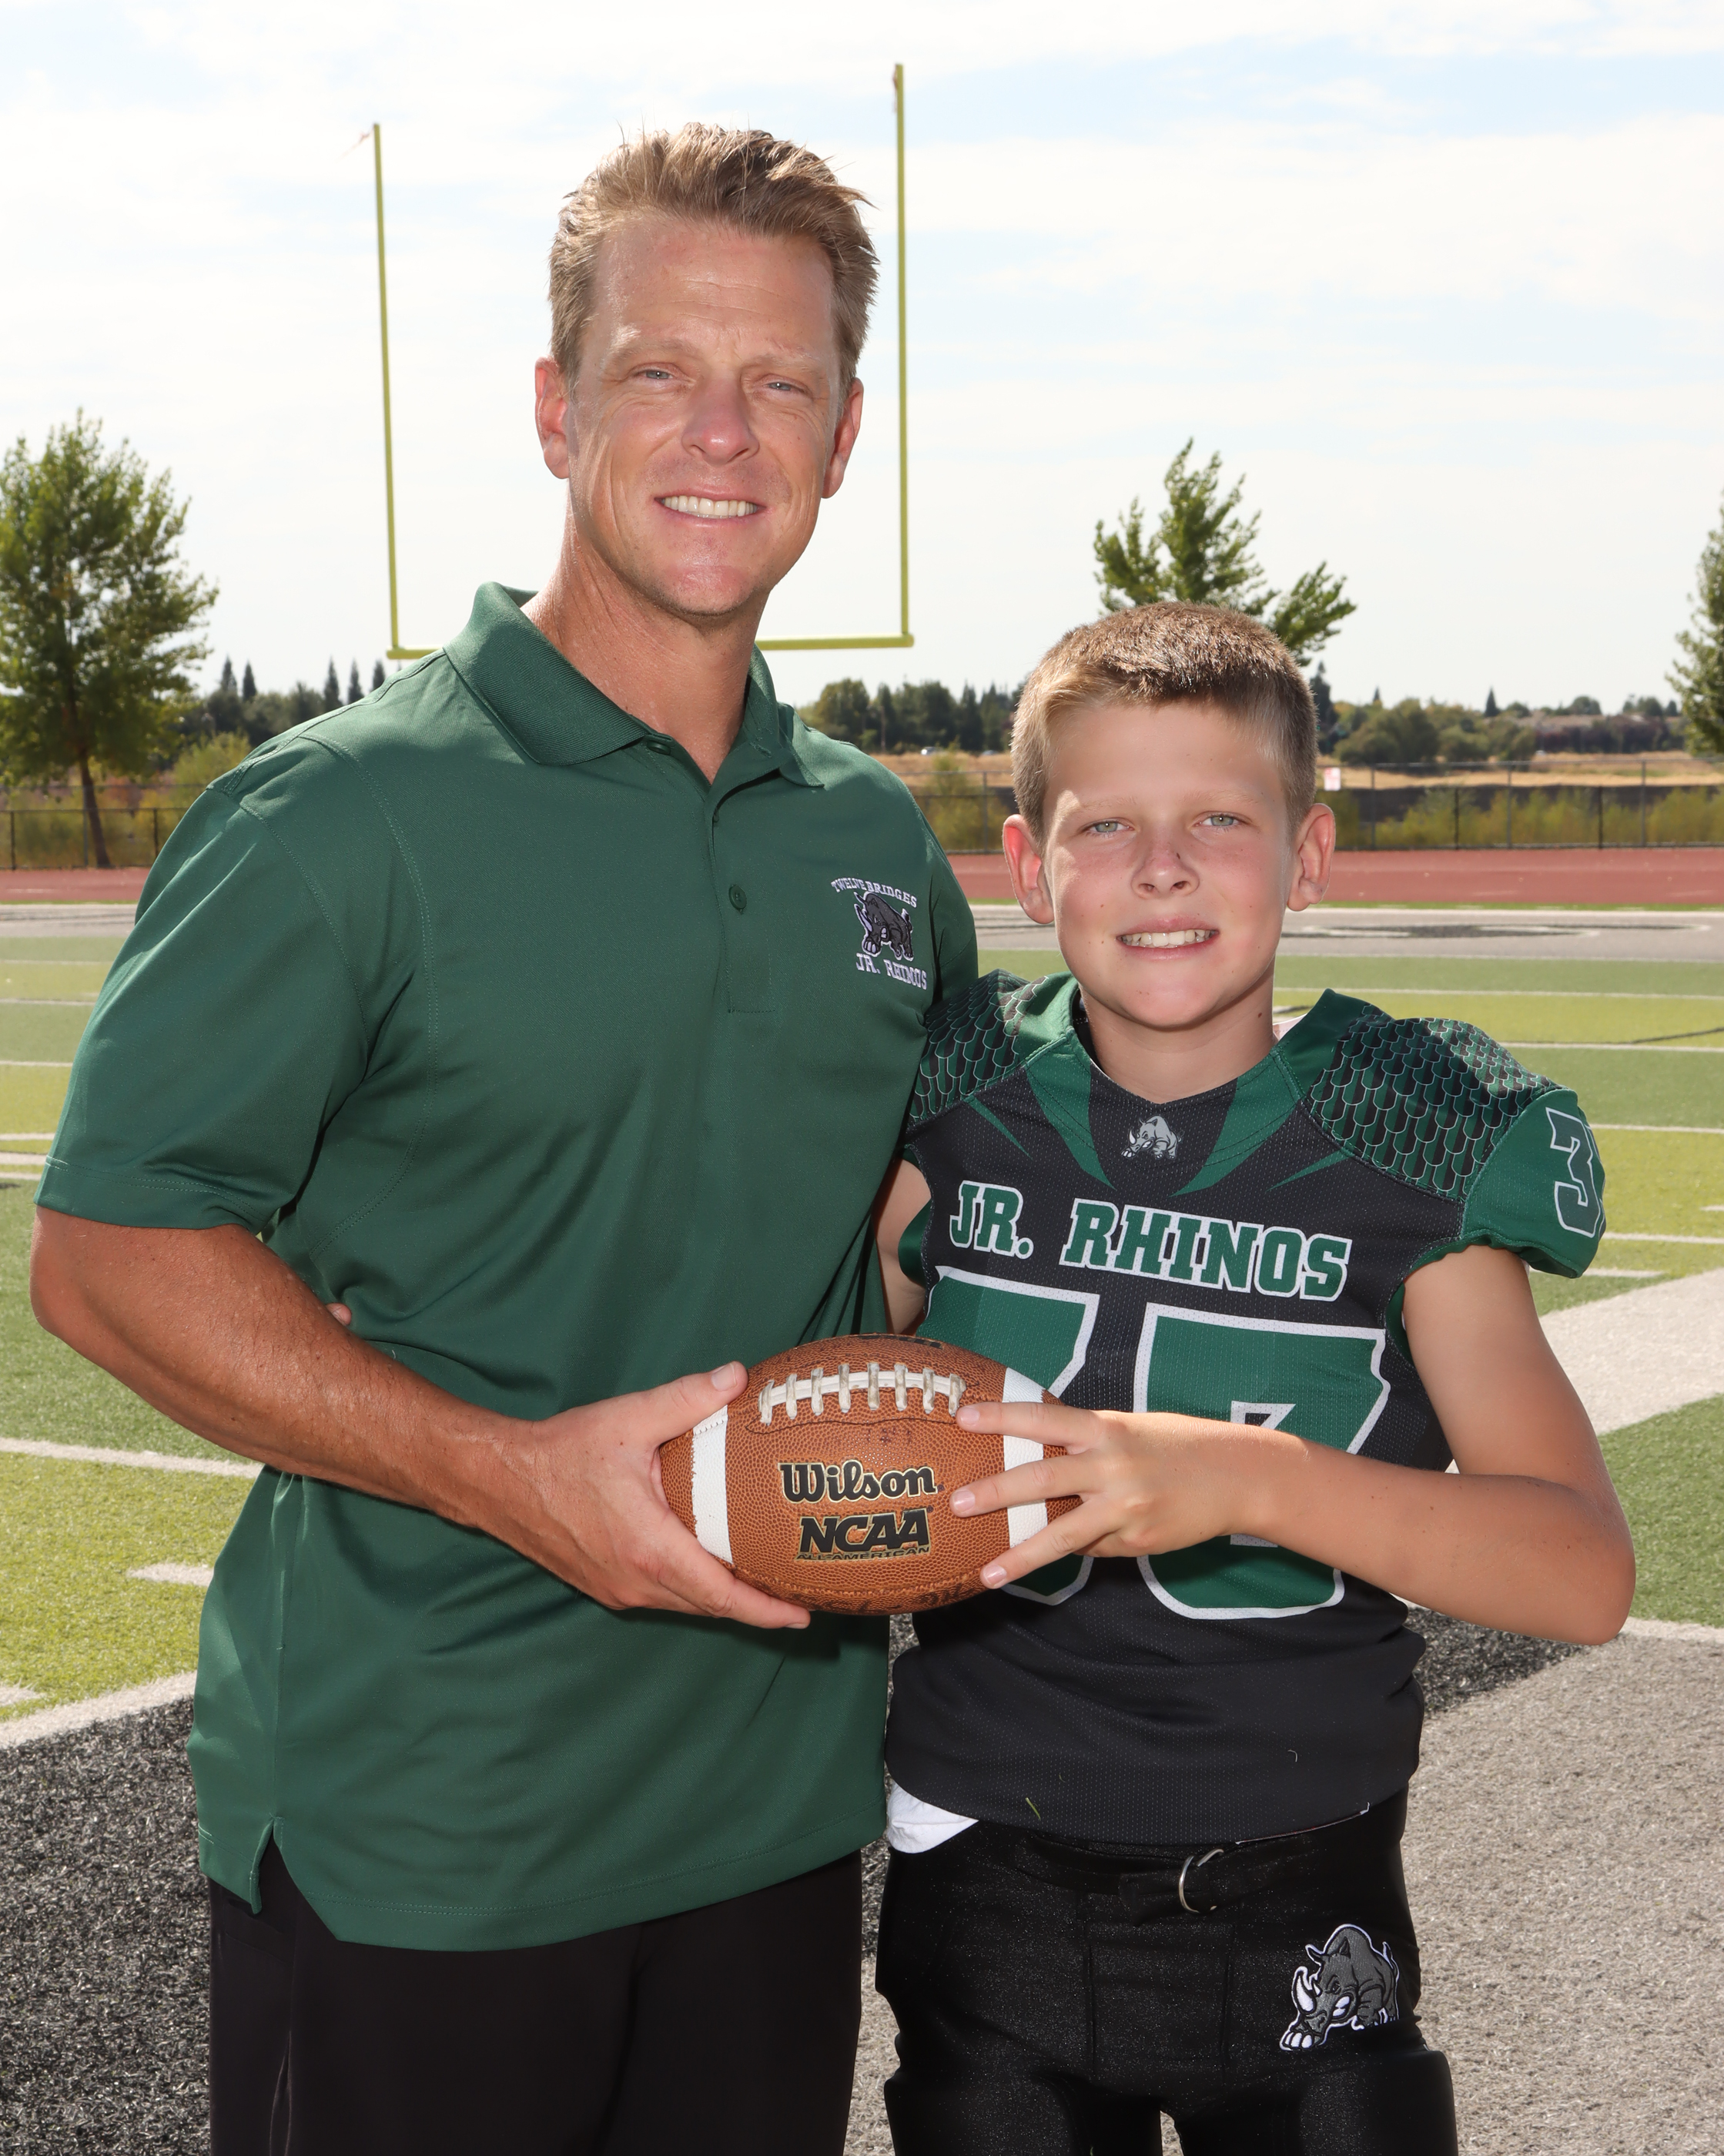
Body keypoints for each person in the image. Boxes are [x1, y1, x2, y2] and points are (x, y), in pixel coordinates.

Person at [30, 126, 976, 2156]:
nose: (719, 431)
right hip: (430, 1819)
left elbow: (918, 1221)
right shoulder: (340, 813)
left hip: (772, 1811)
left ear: (844, 435)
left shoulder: (874, 835)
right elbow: (108, 1254)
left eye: (780, 381)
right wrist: (513, 1478)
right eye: (657, 371)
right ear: (557, 409)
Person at [869, 602, 1633, 2154]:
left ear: (1308, 853)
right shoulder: (953, 1096)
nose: (1164, 867)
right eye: (1106, 825)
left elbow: (1580, 1570)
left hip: (1300, 1874)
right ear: (1027, 868)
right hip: (980, 1863)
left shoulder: (1410, 1132)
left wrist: (1245, 1479)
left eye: (1220, 818)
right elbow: (816, 1394)